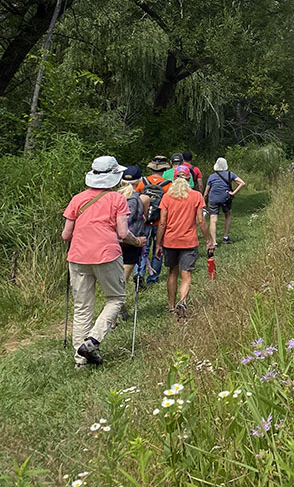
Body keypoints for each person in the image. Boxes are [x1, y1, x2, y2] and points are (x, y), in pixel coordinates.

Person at [61, 156, 145, 368]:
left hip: (78, 256)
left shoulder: (77, 199)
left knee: (82, 307)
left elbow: (65, 235)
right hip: (106, 254)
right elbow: (124, 233)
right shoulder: (117, 199)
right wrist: (136, 242)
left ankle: (80, 361)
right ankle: (93, 341)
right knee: (116, 298)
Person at [155, 177, 212, 318]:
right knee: (186, 274)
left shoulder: (167, 197)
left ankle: (171, 306)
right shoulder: (196, 196)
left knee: (172, 272)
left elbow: (162, 222)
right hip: (188, 241)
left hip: (170, 241)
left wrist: (158, 243)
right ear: (188, 182)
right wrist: (208, 239)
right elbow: (200, 220)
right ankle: (183, 301)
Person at [134, 155, 170, 283]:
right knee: (158, 248)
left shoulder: (142, 182)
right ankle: (153, 277)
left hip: (144, 221)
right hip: (160, 220)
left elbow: (136, 200)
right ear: (164, 169)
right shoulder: (168, 185)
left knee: (143, 248)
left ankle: (139, 273)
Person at [205, 157, 246, 245]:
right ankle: (225, 237)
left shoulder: (211, 176)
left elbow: (206, 191)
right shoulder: (230, 174)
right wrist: (233, 192)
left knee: (213, 219)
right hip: (225, 198)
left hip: (213, 199)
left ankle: (214, 242)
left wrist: (204, 199)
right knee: (228, 215)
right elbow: (242, 183)